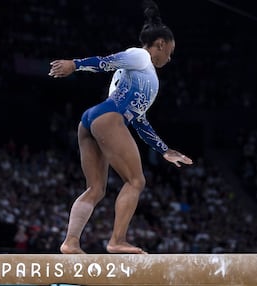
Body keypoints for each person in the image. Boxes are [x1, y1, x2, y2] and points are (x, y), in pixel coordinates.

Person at [49, 0, 193, 254]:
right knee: (136, 181)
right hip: (108, 118)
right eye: (169, 52)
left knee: (96, 189)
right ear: (160, 44)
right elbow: (108, 61)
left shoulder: (144, 75)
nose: (169, 59)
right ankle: (117, 240)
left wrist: (164, 149)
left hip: (93, 120)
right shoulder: (140, 56)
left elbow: (138, 120)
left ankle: (70, 242)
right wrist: (76, 64)